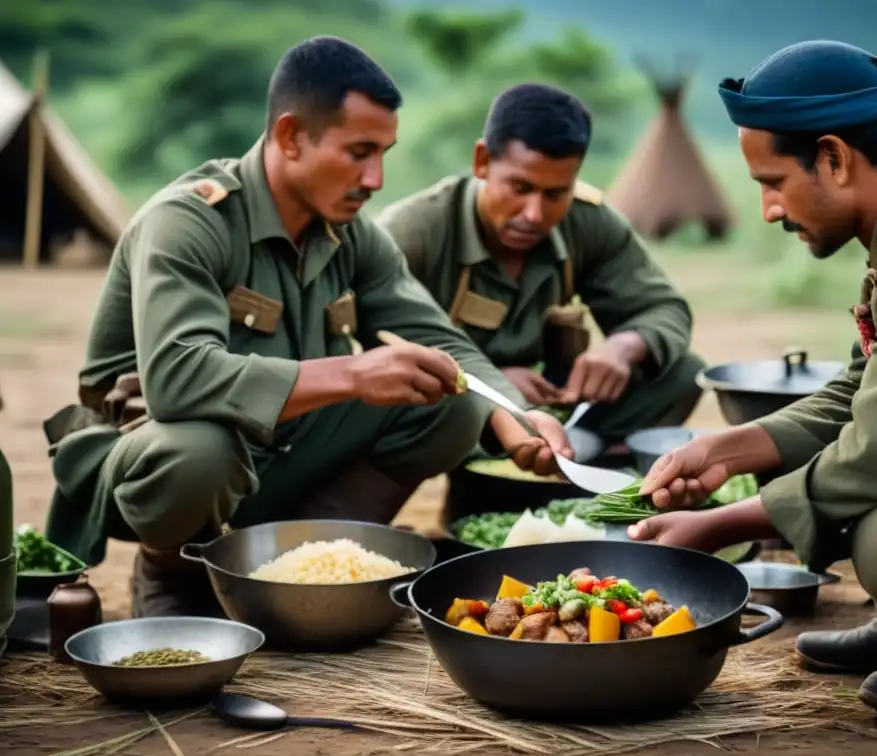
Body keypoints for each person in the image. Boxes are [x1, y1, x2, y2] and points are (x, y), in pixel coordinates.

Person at [41, 36, 570, 619]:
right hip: (152, 457)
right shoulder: (188, 221)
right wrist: (353, 373)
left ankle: (297, 561)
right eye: (359, 152)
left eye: (385, 153)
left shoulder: (352, 233)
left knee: (449, 399)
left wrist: (515, 416)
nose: (376, 178)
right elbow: (176, 381)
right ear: (292, 137)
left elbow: (438, 338)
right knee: (202, 450)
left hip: (284, 449)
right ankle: (176, 573)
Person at [629, 40, 877, 722]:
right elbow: (863, 391)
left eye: (772, 183)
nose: (769, 211)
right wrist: (722, 453)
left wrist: (716, 525)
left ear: (835, 158)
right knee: (864, 492)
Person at [375, 83, 704, 446]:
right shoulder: (413, 232)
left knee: (681, 372)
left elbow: (665, 308)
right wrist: (490, 384)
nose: (534, 214)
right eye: (519, 188)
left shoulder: (589, 222)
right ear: (483, 161)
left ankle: (578, 479)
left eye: (555, 194)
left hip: (551, 403)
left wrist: (623, 348)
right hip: (452, 403)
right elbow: (374, 349)